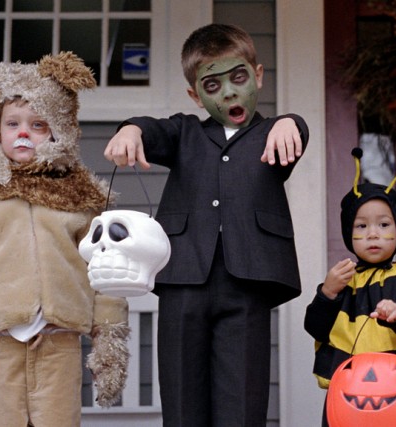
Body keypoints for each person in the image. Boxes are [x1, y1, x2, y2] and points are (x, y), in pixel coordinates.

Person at [103, 23, 308, 427]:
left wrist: (291, 120)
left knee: (242, 402)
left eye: (239, 78)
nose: (230, 92)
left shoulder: (273, 133)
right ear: (196, 95)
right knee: (183, 399)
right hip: (184, 279)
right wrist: (129, 129)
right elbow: (150, 128)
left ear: (258, 75)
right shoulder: (185, 132)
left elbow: (295, 131)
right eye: (213, 86)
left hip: (247, 281)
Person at [0, 52, 130, 426]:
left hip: (59, 338)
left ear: (58, 131)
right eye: (13, 123)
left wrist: (108, 339)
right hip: (1, 340)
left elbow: (104, 271)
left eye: (38, 124)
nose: (24, 132)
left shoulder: (79, 199)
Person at [303, 150, 396, 425]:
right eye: (361, 226)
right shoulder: (342, 280)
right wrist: (327, 293)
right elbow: (315, 327)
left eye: (384, 224)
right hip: (346, 391)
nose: (372, 233)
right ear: (348, 234)